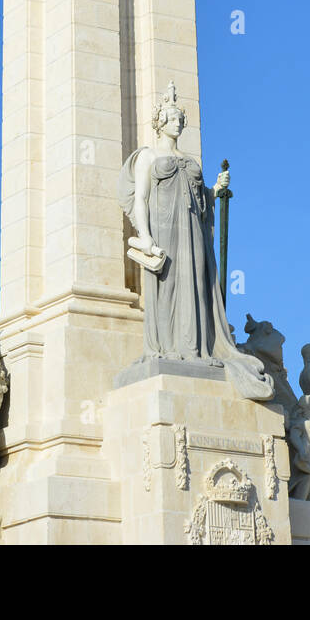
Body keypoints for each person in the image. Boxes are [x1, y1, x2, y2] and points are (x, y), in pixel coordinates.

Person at [119, 81, 273, 400]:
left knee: (196, 285)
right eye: (172, 117)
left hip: (191, 230)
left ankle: (195, 349)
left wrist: (216, 190)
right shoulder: (149, 156)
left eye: (180, 118)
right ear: (160, 121)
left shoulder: (190, 160)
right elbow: (141, 198)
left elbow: (201, 200)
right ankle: (166, 347)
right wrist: (144, 236)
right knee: (168, 286)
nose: (178, 122)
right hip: (163, 229)